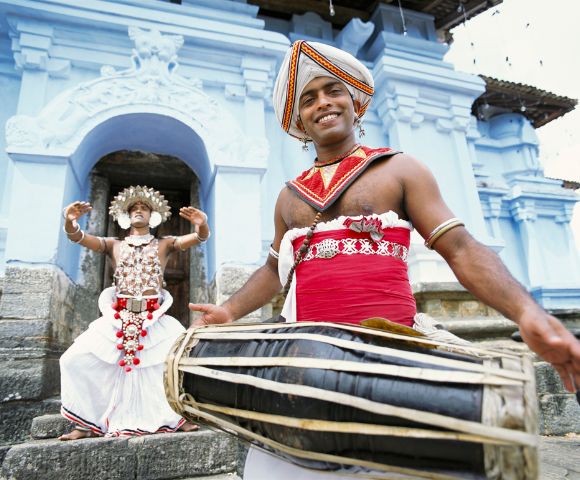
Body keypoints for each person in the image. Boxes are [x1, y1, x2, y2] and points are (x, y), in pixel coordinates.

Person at [188, 41, 580, 478]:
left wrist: (528, 312)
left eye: (332, 91)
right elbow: (272, 269)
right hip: (306, 365)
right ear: (298, 121)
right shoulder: (288, 196)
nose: (323, 104)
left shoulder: (400, 169)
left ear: (356, 101)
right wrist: (227, 311)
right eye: (309, 99)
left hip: (394, 360)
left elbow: (461, 247)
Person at [59, 185, 210, 440]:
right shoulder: (113, 244)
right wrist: (70, 222)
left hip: (155, 318)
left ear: (153, 216)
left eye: (144, 208)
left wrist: (202, 225)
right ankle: (85, 424)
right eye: (134, 209)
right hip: (118, 318)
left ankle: (178, 417)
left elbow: (197, 238)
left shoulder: (164, 244)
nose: (139, 211)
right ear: (126, 216)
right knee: (75, 359)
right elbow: (80, 238)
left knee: (174, 363)